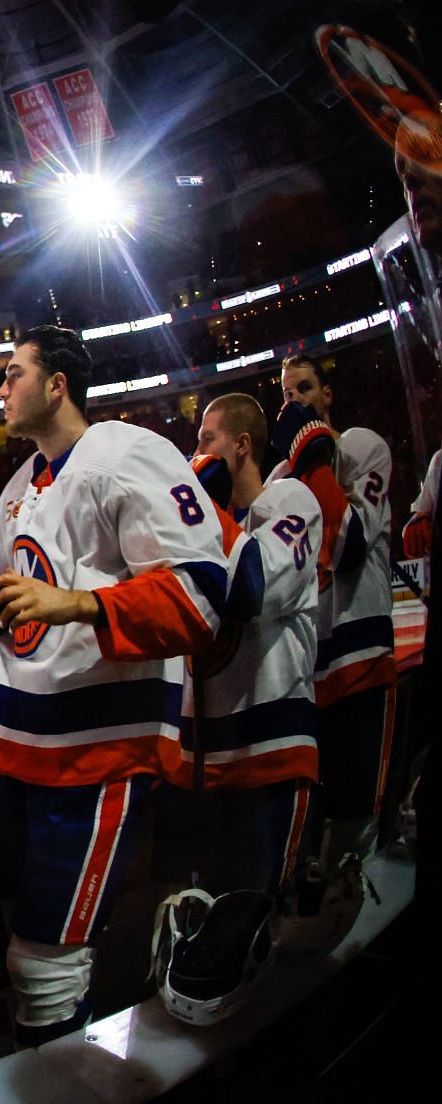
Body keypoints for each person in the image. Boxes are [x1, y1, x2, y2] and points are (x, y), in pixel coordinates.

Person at [0, 325, 228, 1045]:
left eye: (13, 373)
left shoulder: (130, 453)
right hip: (20, 760)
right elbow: (17, 619)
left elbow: (202, 594)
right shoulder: (17, 487)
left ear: (57, 384)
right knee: (12, 950)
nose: (1, 388)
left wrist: (83, 603)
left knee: (45, 967)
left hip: (97, 760)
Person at [178, 392, 322, 895]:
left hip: (269, 750)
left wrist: (199, 511)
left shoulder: (290, 501)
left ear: (241, 445)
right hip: (204, 762)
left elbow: (250, 589)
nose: (195, 450)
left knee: (256, 922)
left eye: (206, 439)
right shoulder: (204, 527)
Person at [272, 358, 394, 887]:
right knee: (305, 837)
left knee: (354, 830)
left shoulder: (362, 447)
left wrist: (311, 456)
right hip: (306, 676)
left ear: (327, 396)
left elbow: (345, 547)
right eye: (284, 392)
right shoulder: (279, 478)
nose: (293, 399)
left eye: (304, 388)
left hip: (361, 660)